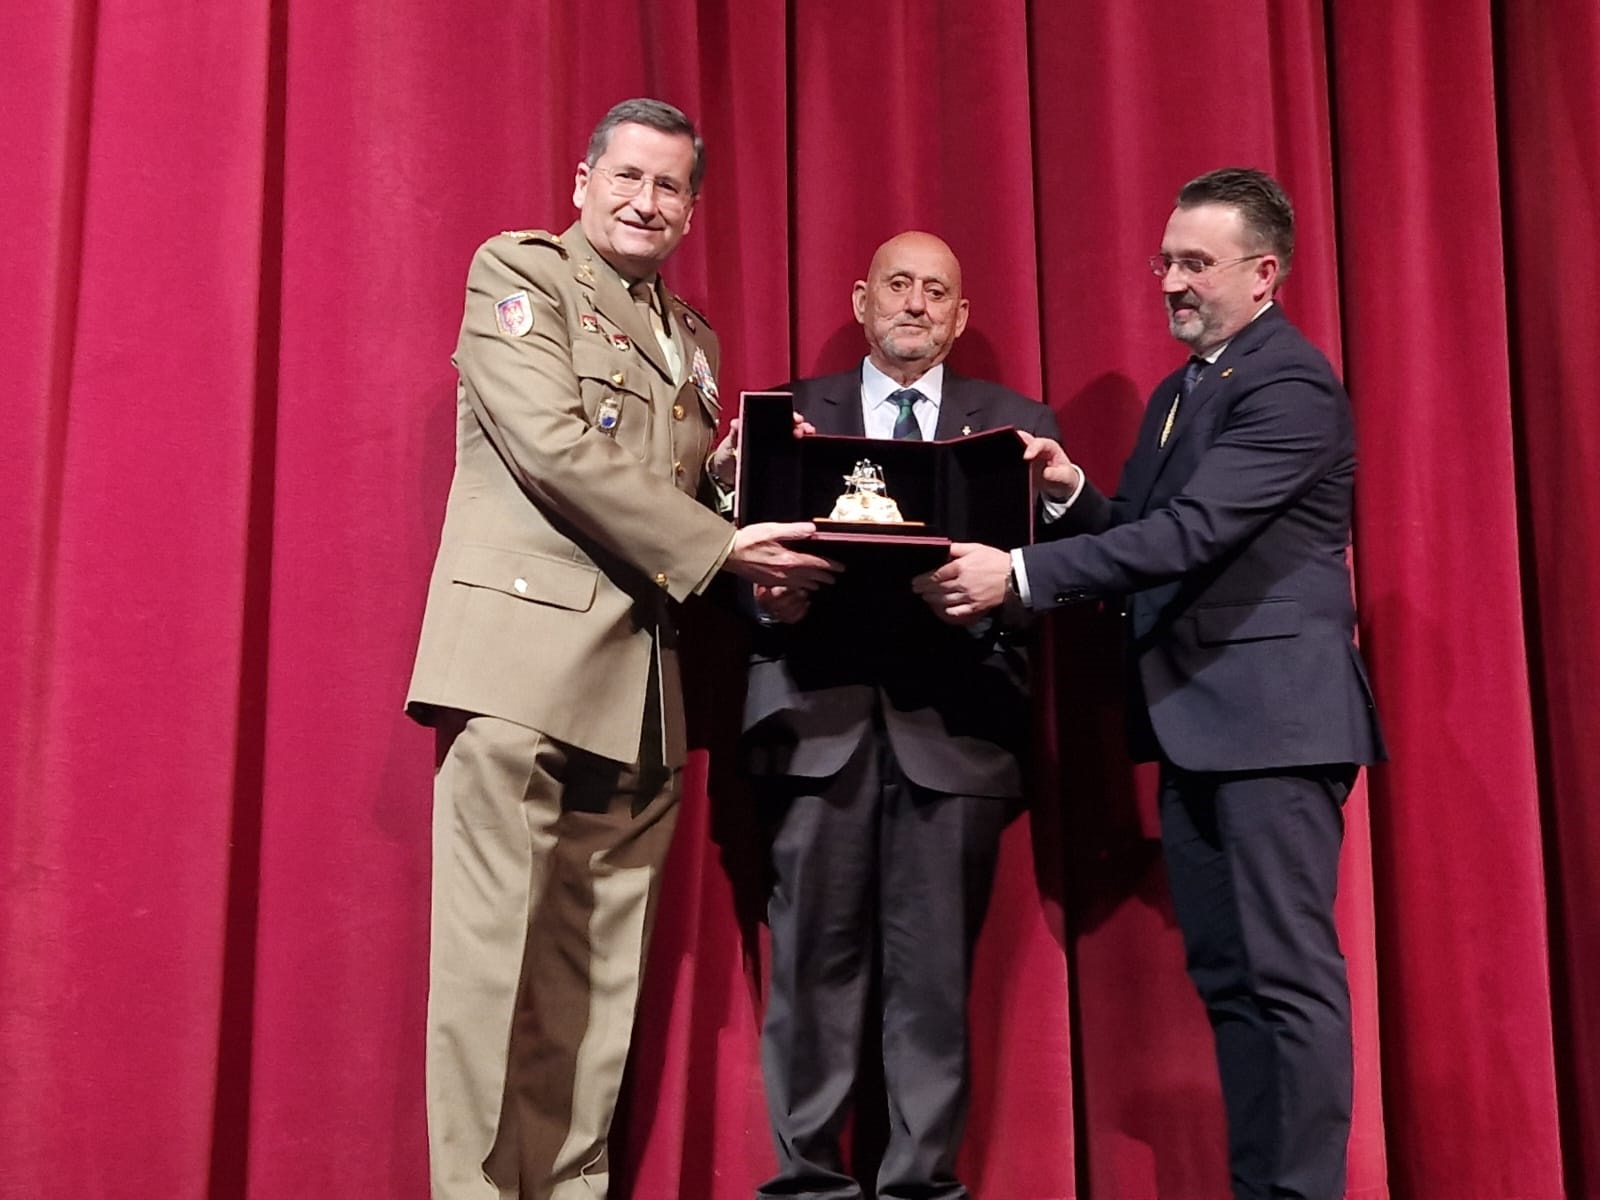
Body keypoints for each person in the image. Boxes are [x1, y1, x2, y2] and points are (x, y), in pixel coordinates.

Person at [914, 169, 1386, 1200]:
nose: (1167, 281)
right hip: (1199, 728)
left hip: (1273, 729)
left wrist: (1022, 573)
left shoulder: (1287, 385)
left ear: (1263, 275)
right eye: (1164, 260)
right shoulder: (1187, 390)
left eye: (1193, 264)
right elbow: (1143, 529)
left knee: (1288, 982)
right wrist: (1068, 490)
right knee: (1229, 979)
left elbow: (1194, 536)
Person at [405, 98, 837, 1200]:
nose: (647, 203)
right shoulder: (521, 273)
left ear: (693, 209)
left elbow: (673, 494)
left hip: (642, 687)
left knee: (595, 983)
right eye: (629, 178)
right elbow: (553, 450)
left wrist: (747, 497)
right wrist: (725, 543)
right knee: (490, 969)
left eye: (670, 187)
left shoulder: (691, 339)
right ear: (584, 181)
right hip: (519, 674)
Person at [743, 231, 1064, 1200]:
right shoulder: (790, 414)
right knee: (809, 978)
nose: (916, 303)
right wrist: (764, 594)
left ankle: (921, 1187)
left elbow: (1061, 573)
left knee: (932, 987)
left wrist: (1002, 590)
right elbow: (720, 561)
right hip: (816, 725)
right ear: (860, 299)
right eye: (898, 285)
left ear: (961, 317)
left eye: (937, 291)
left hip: (954, 734)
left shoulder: (1014, 428)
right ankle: (805, 1186)